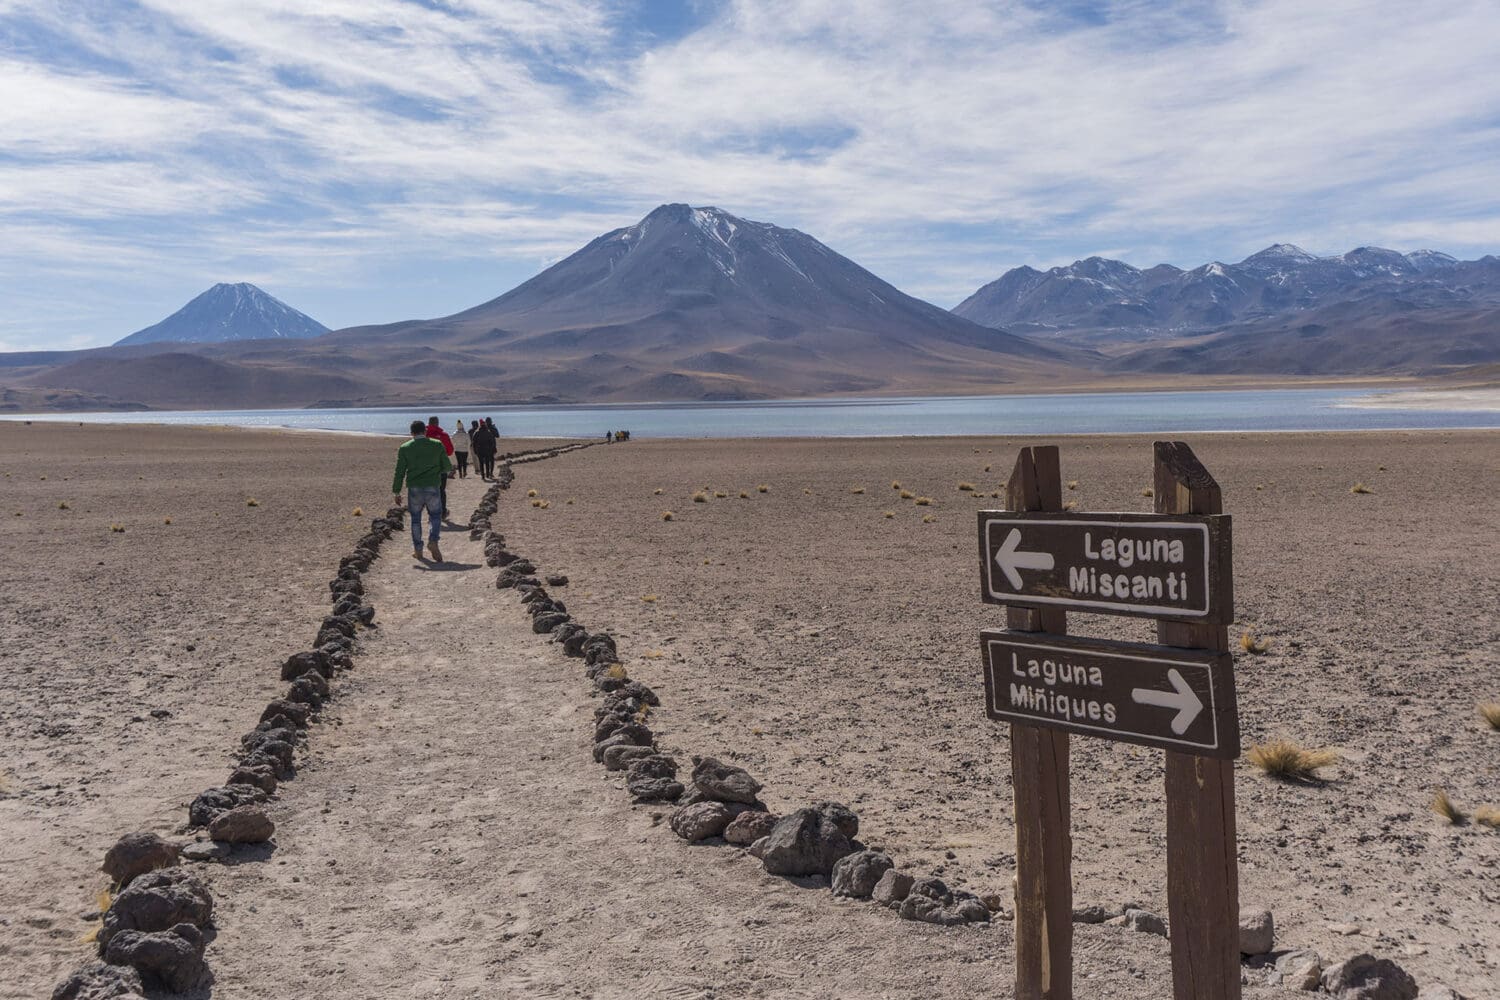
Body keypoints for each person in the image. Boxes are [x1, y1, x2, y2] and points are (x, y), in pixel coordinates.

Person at [392, 419, 453, 561]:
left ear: (411, 433)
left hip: (414, 488)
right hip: (432, 486)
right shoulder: (437, 445)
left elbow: (399, 471)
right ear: (425, 431)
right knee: (436, 516)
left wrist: (396, 491)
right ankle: (433, 541)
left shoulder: (405, 447)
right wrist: (437, 471)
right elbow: (447, 467)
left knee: (415, 519)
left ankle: (418, 550)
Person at [424, 416, 454, 518]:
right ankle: (442, 512)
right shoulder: (443, 435)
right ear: (437, 423)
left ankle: (431, 512)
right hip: (441, 467)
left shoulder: (424, 435)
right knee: (441, 490)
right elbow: (450, 451)